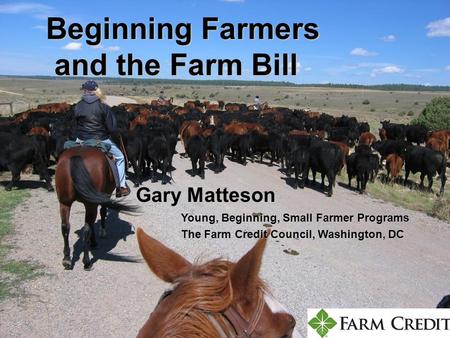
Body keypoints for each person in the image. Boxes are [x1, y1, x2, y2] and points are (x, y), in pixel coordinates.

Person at [74, 80, 130, 197]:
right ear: (96, 91)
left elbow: (75, 124)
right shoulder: (103, 107)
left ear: (84, 91)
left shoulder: (78, 106)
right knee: (120, 157)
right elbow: (112, 128)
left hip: (81, 139)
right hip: (100, 139)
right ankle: (122, 186)